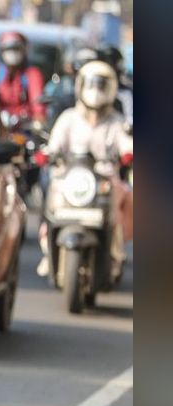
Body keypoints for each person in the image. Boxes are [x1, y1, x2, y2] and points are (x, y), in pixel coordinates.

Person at [37, 60, 133, 276]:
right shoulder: (69, 118)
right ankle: (47, 251)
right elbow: (54, 145)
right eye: (92, 84)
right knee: (51, 202)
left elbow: (126, 144)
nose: (96, 90)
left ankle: (115, 254)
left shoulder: (115, 122)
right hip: (69, 178)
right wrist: (47, 154)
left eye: (101, 85)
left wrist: (129, 153)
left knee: (119, 207)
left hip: (104, 181)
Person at [0, 31, 46, 125]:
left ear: (24, 50)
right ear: (1, 51)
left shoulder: (31, 74)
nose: (12, 53)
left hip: (25, 129)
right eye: (8, 49)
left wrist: (38, 120)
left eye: (16, 49)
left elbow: (38, 104)